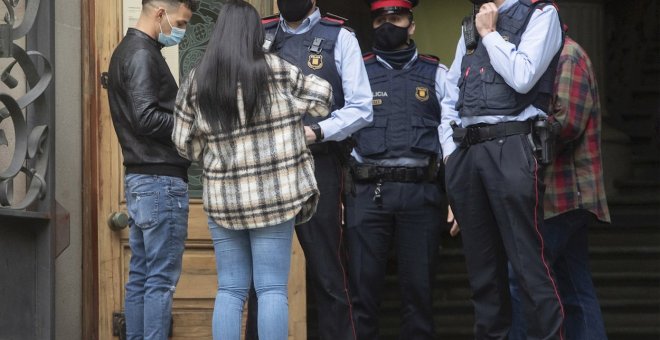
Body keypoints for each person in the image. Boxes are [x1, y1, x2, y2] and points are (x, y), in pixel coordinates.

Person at [171, 1, 333, 339]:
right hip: (276, 196)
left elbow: (184, 143)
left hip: (224, 199)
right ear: (255, 33)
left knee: (230, 290)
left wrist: (212, 152)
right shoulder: (277, 69)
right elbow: (324, 97)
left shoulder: (197, 79)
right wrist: (291, 116)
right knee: (272, 288)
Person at [247, 1, 373, 339]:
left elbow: (362, 108)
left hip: (317, 163)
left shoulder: (340, 36)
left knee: (328, 272)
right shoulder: (259, 33)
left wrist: (316, 130)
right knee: (263, 278)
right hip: (265, 167)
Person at [440, 0, 565, 338]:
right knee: (483, 276)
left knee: (529, 268)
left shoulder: (541, 14)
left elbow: (523, 77)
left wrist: (490, 34)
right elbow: (450, 95)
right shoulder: (472, 24)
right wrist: (451, 155)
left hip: (512, 146)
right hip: (467, 151)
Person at [344, 1, 447, 338]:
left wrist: (456, 198)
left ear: (411, 25)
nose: (388, 24)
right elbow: (339, 135)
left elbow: (452, 140)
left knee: (420, 295)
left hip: (421, 195)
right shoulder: (356, 71)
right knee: (362, 294)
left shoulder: (437, 74)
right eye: (381, 19)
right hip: (367, 196)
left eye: (396, 18)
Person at [508, 34, 612, 340]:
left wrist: (513, 128)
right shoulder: (544, 56)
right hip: (556, 196)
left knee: (522, 277)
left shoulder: (568, 56)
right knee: (574, 287)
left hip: (565, 195)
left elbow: (565, 125)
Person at [107, 0, 197, 339]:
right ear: (160, 13)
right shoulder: (143, 54)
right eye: (181, 22)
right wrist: (191, 123)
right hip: (160, 180)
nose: (181, 31)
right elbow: (145, 118)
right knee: (159, 280)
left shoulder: (127, 51)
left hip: (142, 179)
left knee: (142, 276)